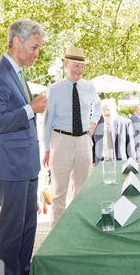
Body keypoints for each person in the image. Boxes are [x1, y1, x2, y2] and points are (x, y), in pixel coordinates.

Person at [0, 20, 46, 275]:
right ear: (17, 43)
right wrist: (30, 109)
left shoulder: (18, 74)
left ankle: (20, 274)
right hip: (10, 167)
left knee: (27, 224)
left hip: (27, 165)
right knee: (9, 230)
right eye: (34, 47)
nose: (36, 53)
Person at [43, 46, 101, 227]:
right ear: (66, 64)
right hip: (61, 141)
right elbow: (48, 121)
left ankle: (78, 229)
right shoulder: (54, 89)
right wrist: (46, 149)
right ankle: (56, 235)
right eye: (76, 66)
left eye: (82, 66)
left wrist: (93, 122)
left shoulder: (89, 86)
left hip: (84, 141)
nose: (79, 70)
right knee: (59, 191)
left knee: (82, 190)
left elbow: (97, 106)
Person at [92, 99, 136, 164]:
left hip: (120, 162)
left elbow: (130, 146)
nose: (105, 112)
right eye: (103, 110)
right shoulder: (95, 124)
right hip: (100, 162)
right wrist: (93, 161)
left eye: (108, 109)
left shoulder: (125, 123)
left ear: (114, 110)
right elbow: (92, 144)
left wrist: (132, 163)